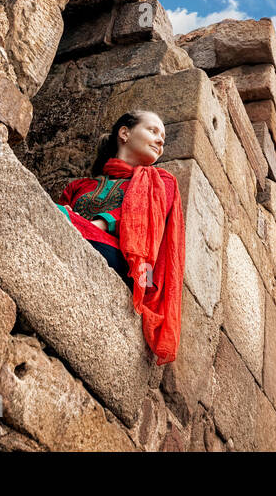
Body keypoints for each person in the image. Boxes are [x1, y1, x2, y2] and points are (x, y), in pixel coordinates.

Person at [55, 110, 185, 365]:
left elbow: (145, 220)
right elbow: (59, 214)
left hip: (125, 259)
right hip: (80, 236)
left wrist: (96, 223)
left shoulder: (161, 181)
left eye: (164, 137)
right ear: (124, 133)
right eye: (153, 131)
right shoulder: (79, 186)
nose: (160, 140)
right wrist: (70, 217)